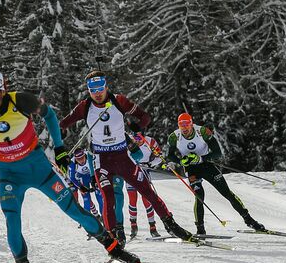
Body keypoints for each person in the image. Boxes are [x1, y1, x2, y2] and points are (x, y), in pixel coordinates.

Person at [0, 69, 140, 263]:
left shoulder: (20, 101)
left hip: (39, 168)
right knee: (12, 222)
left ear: (2, 90)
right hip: (10, 176)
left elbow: (48, 115)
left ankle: (114, 248)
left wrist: (59, 148)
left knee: (73, 210)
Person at [59, 70, 194, 246]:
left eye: (100, 89)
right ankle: (114, 237)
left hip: (123, 157)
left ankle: (171, 225)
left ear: (106, 86)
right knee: (109, 198)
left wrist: (138, 126)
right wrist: (60, 143)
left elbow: (145, 117)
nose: (98, 94)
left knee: (147, 191)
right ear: (88, 91)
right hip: (102, 160)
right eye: (93, 91)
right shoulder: (84, 107)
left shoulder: (119, 101)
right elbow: (62, 124)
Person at [165, 113, 266, 235]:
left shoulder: (202, 131)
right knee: (199, 197)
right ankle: (200, 229)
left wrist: (201, 158)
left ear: (191, 123)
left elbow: (218, 153)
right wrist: (180, 161)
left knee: (227, 193)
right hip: (191, 169)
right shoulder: (174, 137)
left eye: (187, 124)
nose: (184, 128)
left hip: (207, 165)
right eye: (181, 125)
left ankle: (249, 220)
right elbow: (169, 155)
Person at [126, 134, 163, 238]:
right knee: (132, 199)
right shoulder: (127, 141)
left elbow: (160, 157)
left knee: (147, 199)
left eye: (139, 139)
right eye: (134, 140)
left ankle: (152, 227)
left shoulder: (150, 142)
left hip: (144, 171)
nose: (137, 142)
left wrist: (151, 162)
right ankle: (133, 225)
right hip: (130, 172)